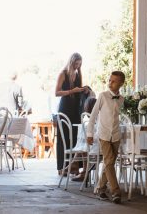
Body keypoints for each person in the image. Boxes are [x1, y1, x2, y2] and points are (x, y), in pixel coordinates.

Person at [87, 71, 125, 204]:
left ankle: (101, 189)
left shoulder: (121, 99)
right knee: (108, 161)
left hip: (116, 135)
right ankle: (116, 191)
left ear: (121, 83)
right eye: (110, 80)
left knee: (110, 163)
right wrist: (90, 134)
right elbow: (93, 115)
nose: (110, 83)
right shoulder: (102, 96)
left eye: (114, 81)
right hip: (103, 134)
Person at [55, 53, 90, 175]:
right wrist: (71, 91)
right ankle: (61, 167)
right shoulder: (63, 74)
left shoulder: (78, 74)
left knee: (76, 137)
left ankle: (74, 167)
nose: (77, 66)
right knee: (63, 137)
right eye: (76, 64)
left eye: (79, 64)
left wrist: (84, 89)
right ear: (71, 62)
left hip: (76, 109)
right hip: (65, 108)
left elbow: (78, 91)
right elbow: (57, 92)